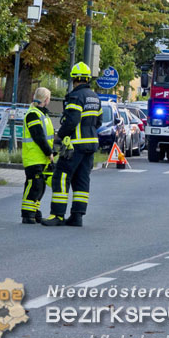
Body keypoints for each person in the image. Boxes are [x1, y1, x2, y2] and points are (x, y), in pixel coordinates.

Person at [42, 62, 102, 227]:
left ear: (75, 79)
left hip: (75, 145)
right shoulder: (95, 97)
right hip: (91, 144)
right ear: (88, 79)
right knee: (82, 180)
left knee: (61, 177)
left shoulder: (76, 97)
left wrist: (60, 136)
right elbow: (99, 121)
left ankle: (57, 215)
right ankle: (77, 216)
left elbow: (72, 120)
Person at [21, 87, 55, 224]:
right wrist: (49, 152)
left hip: (41, 158)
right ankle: (27, 214)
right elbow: (38, 136)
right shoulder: (33, 114)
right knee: (33, 185)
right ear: (46, 100)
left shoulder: (43, 115)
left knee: (39, 186)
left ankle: (34, 211)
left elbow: (47, 136)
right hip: (33, 157)